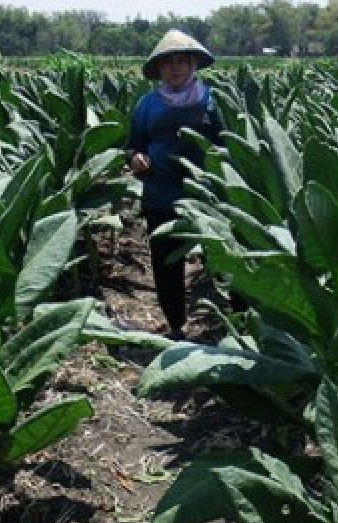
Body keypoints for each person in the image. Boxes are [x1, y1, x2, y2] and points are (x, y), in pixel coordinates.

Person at [126, 30, 223, 340]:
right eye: (168, 63)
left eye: (182, 60)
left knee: (223, 256)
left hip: (206, 193)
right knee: (167, 261)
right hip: (160, 193)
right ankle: (176, 326)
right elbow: (134, 145)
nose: (175, 67)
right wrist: (136, 159)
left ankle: (235, 320)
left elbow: (229, 143)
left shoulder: (212, 101)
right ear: (158, 69)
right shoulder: (147, 105)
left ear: (194, 64)